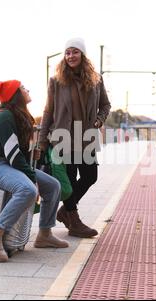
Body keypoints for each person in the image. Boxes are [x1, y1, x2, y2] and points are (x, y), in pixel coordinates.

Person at [0, 80, 69, 263]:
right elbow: (12, 154)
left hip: (9, 164)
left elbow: (15, 151)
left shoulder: (17, 116)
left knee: (53, 186)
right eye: (22, 88)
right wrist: (32, 179)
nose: (27, 89)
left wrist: (30, 153)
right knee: (28, 189)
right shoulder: (4, 117)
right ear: (15, 95)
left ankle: (44, 233)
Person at [39, 38, 111, 238]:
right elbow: (48, 111)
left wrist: (99, 120)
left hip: (87, 136)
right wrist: (42, 142)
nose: (71, 56)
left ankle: (65, 212)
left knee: (90, 176)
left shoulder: (96, 80)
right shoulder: (56, 81)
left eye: (75, 52)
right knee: (68, 180)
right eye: (68, 52)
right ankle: (74, 220)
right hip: (63, 138)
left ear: (83, 55)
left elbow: (105, 105)